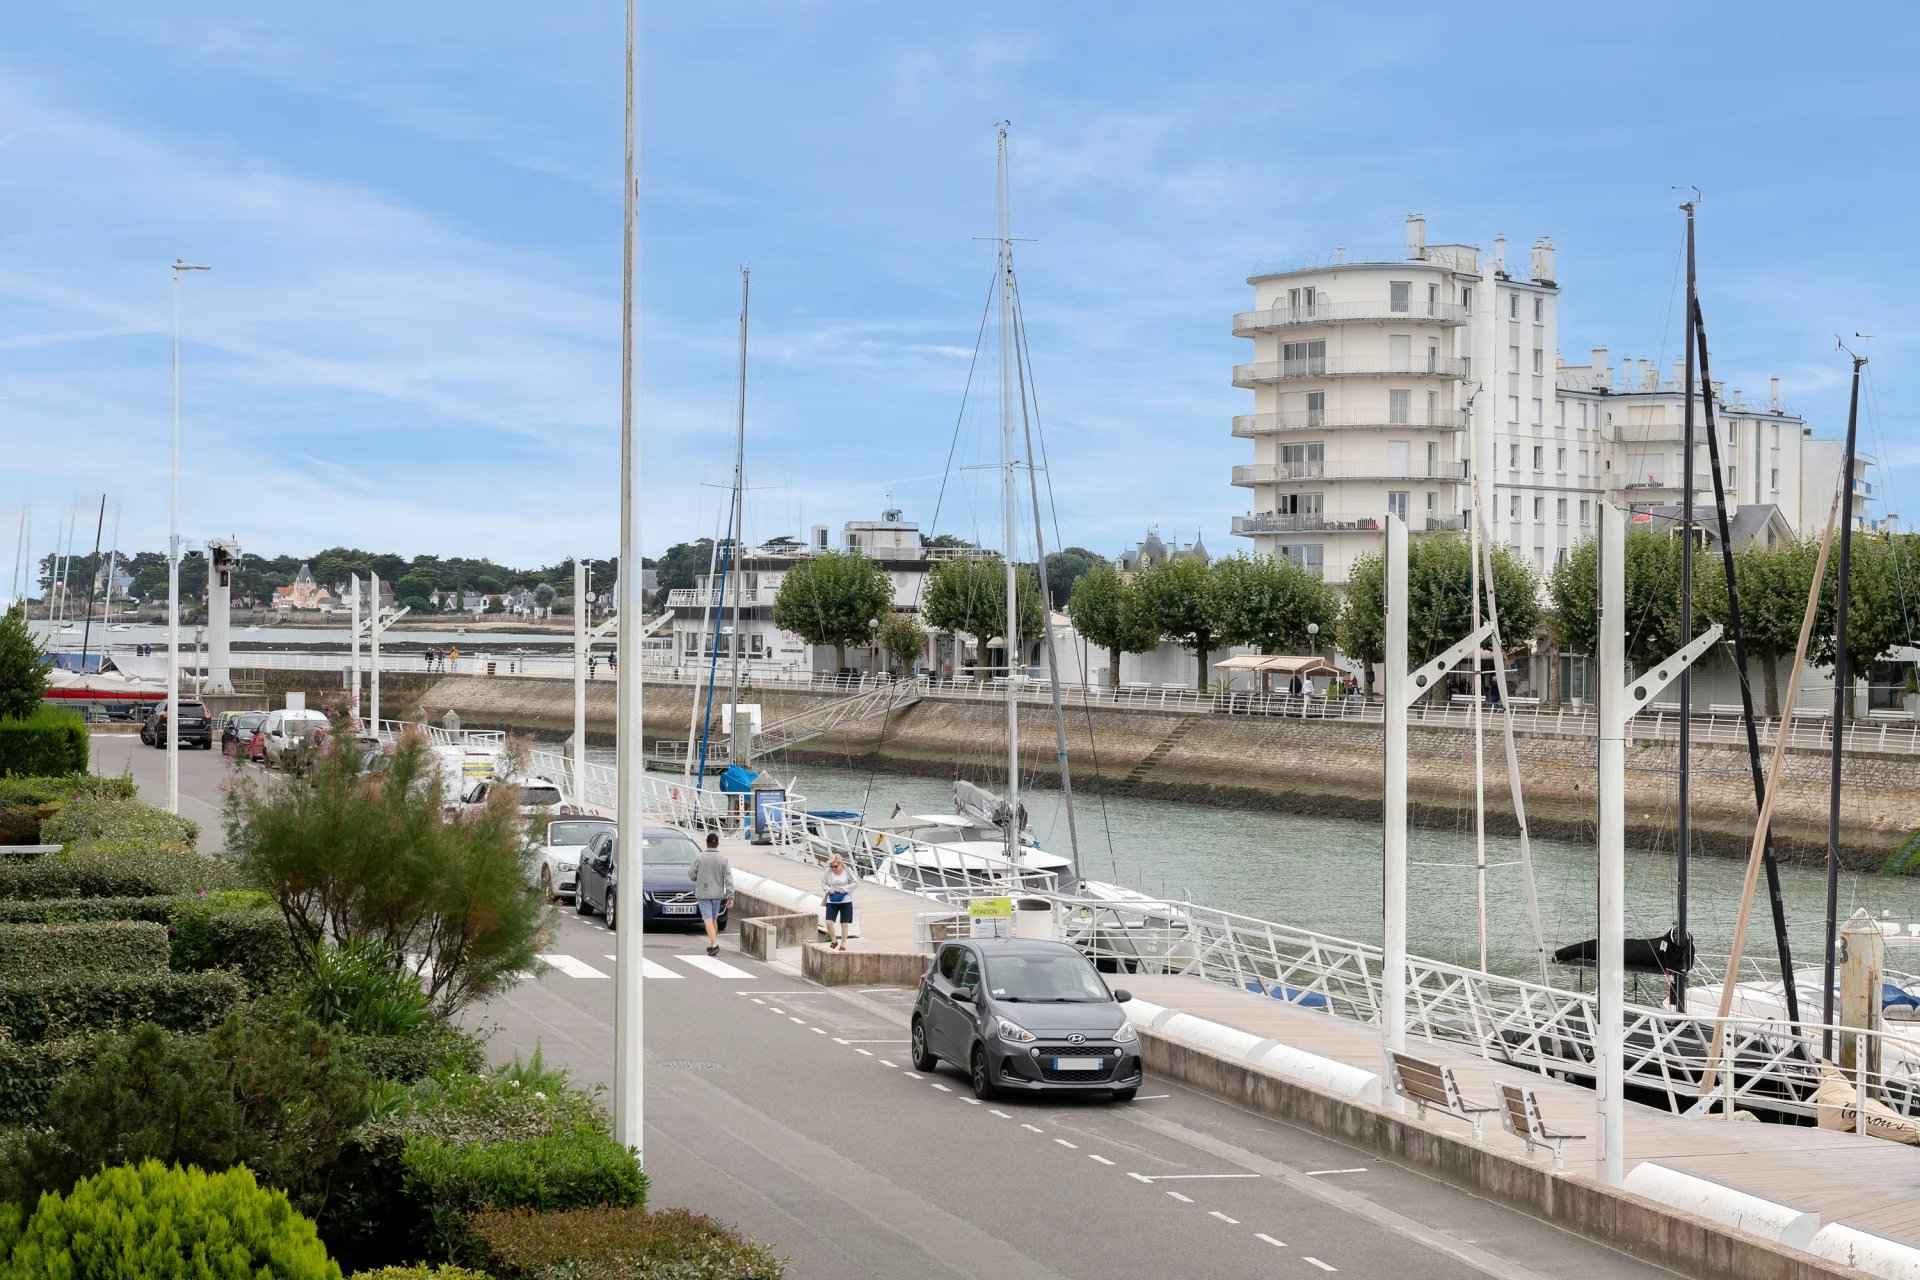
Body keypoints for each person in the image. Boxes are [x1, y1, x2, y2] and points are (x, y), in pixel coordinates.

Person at [689, 831, 734, 958]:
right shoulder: (723, 860)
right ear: (717, 844)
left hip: (703, 893)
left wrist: (698, 877)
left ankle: (714, 944)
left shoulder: (700, 857)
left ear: (706, 843)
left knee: (707, 919)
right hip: (717, 893)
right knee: (713, 919)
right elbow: (729, 879)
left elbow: (691, 874)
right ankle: (713, 941)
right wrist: (730, 895)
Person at [821, 853, 856, 951]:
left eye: (835, 866)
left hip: (846, 900)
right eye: (831, 866)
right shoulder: (828, 872)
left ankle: (843, 944)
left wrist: (845, 889)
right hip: (832, 900)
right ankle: (834, 940)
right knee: (828, 922)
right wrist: (829, 889)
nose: (833, 868)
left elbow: (855, 883)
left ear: (840, 864)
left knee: (844, 923)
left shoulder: (847, 871)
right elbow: (823, 883)